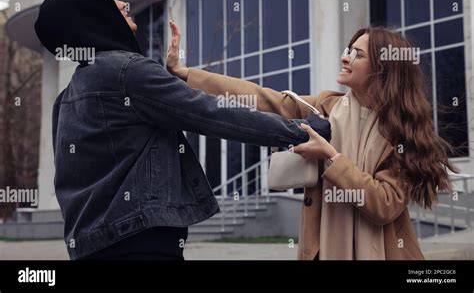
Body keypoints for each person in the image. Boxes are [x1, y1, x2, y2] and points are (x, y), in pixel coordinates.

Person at [33, 0, 331, 260]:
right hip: (140, 241)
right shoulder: (128, 72)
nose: (124, 4)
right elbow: (213, 112)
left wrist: (170, 79)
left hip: (90, 244)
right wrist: (300, 130)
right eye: (111, 1)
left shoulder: (67, 97)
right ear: (92, 15)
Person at [167, 22, 459, 260]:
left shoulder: (403, 133)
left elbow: (383, 205)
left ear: (382, 68)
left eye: (358, 54)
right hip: (322, 250)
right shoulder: (326, 107)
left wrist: (331, 157)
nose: (345, 57)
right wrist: (188, 75)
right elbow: (263, 99)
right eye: (348, 50)